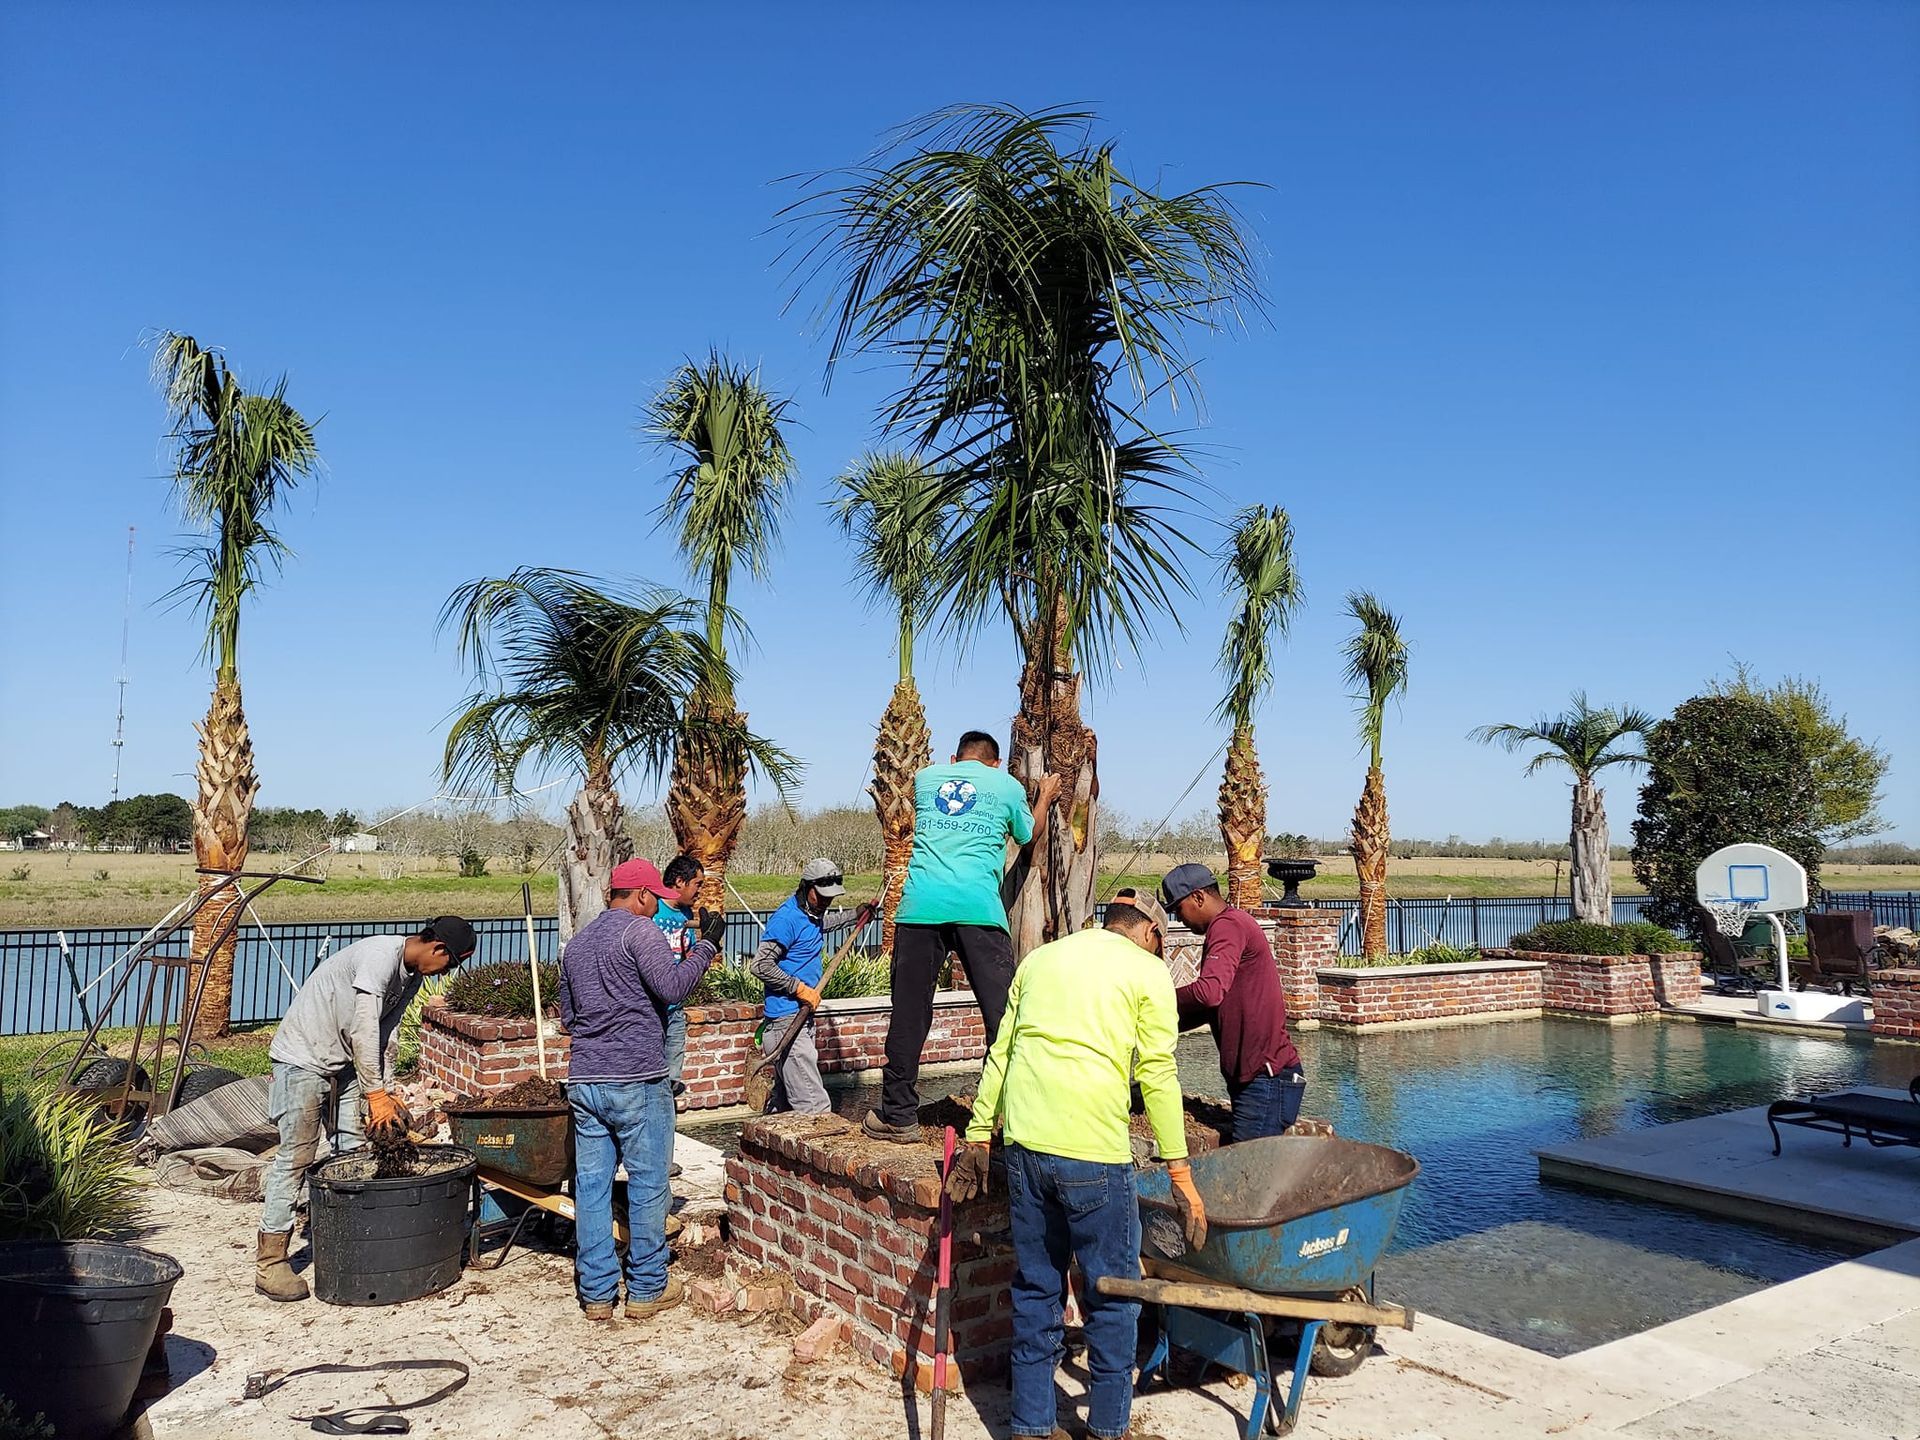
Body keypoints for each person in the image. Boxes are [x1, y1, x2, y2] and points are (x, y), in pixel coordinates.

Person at [946, 892, 1206, 1440]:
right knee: (1113, 1296)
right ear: (1149, 934)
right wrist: (1180, 1174)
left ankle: (1030, 1427)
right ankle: (1109, 1429)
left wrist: (977, 1134)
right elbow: (1158, 1073)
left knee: (1037, 1291)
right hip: (1094, 1156)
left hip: (1025, 1150)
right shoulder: (1148, 973)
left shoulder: (1040, 961)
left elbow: (1003, 1052)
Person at [256, 915, 477, 1302]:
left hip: (343, 1062)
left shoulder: (411, 977)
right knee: (296, 1157)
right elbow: (363, 1028)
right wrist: (374, 1095)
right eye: (451, 964)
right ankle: (270, 1263)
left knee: (352, 1149)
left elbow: (385, 1033)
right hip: (302, 1060)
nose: (446, 973)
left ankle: (349, 1235)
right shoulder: (379, 957)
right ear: (437, 949)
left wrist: (387, 1090)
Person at [865, 729, 1060, 1143]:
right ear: (994, 763)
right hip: (978, 910)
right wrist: (1043, 796)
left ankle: (899, 1115)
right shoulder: (1006, 785)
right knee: (1004, 1017)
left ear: (955, 760)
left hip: (921, 908)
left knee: (909, 1014)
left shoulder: (926, 778)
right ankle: (1018, 1113)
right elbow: (1029, 837)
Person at [559, 857, 724, 1321]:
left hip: (587, 1080)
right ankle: (648, 1290)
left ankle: (596, 1294)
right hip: (638, 1080)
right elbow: (673, 987)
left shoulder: (576, 945)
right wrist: (707, 947)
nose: (657, 908)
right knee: (649, 1183)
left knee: (590, 1186)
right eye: (655, 900)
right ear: (642, 896)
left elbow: (570, 1018)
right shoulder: (640, 932)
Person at [1160, 862, 1305, 1142]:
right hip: (1263, 1078)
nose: (1180, 919)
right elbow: (1213, 1005)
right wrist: (1159, 1024)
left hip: (1266, 1078)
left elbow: (1209, 992)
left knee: (1251, 1176)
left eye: (1179, 909)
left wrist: (1158, 1001)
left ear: (1198, 897)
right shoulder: (1233, 923)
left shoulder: (1227, 925)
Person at [749, 858, 863, 1114]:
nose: (826, 902)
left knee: (785, 1102)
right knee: (813, 1106)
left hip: (801, 1018)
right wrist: (798, 988)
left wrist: (856, 915)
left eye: (830, 897)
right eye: (821, 896)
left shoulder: (812, 916)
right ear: (806, 887)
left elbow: (823, 926)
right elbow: (760, 965)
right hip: (785, 1021)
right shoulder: (787, 919)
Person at [655, 854, 704, 1114]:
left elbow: (690, 954)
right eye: (697, 884)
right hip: (652, 1011)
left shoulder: (686, 913)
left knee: (672, 1077)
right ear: (679, 882)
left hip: (675, 1010)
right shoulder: (653, 910)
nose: (699, 891)